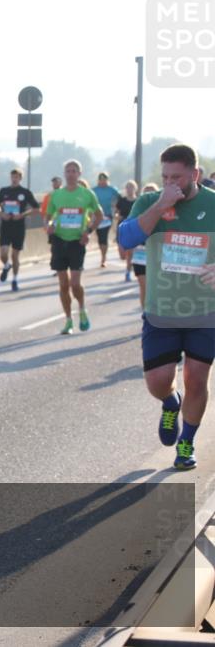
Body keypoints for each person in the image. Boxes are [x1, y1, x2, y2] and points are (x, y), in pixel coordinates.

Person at [118, 144, 215, 471]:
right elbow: (126, 239)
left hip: (205, 311)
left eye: (178, 177)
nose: (171, 183)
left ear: (195, 174)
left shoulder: (213, 204)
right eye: (165, 177)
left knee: (197, 378)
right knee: (158, 381)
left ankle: (186, 441)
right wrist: (160, 206)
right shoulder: (150, 202)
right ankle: (170, 403)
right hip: (162, 310)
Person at [44, 160, 104, 334]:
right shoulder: (56, 195)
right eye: (68, 171)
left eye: (74, 171)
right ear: (64, 174)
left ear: (79, 174)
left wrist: (89, 231)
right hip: (59, 240)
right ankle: (68, 320)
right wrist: (49, 225)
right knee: (63, 284)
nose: (70, 174)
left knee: (75, 283)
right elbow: (48, 216)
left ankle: (82, 308)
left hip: (77, 242)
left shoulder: (87, 194)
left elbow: (99, 216)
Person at [0, 168, 39, 291]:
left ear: (20, 178)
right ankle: (6, 266)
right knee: (3, 253)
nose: (14, 179)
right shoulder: (4, 191)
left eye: (16, 177)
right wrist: (1, 213)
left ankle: (15, 279)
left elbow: (36, 209)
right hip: (6, 225)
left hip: (18, 226)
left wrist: (23, 214)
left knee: (15, 255)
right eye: (12, 177)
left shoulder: (25, 192)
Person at [92, 172, 121, 268]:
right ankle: (102, 253)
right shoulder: (94, 190)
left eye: (104, 179)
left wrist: (116, 209)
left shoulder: (112, 189)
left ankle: (103, 258)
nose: (102, 181)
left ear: (107, 180)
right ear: (98, 180)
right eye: (100, 179)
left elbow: (120, 199)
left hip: (107, 216)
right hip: (97, 216)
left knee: (104, 236)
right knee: (99, 237)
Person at [114, 180, 140, 282]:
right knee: (122, 256)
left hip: (133, 228)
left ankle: (128, 272)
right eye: (128, 187)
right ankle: (131, 265)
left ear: (135, 189)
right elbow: (116, 213)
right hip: (122, 227)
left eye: (131, 187)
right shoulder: (122, 201)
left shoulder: (138, 201)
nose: (129, 189)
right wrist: (117, 216)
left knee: (130, 253)